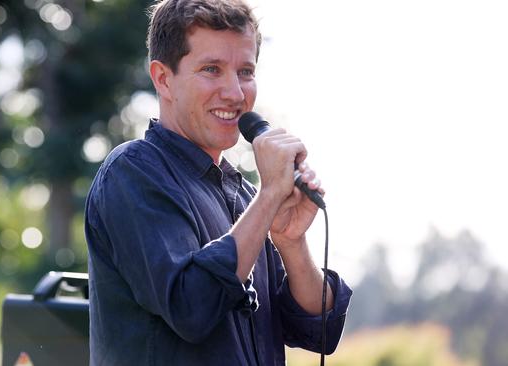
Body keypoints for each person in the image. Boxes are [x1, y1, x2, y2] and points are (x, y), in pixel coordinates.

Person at [84, 0, 352, 364]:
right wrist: (271, 194)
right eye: (212, 69)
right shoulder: (132, 172)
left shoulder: (244, 197)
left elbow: (319, 332)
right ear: (163, 78)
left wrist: (291, 242)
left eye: (245, 71)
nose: (235, 93)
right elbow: (191, 307)